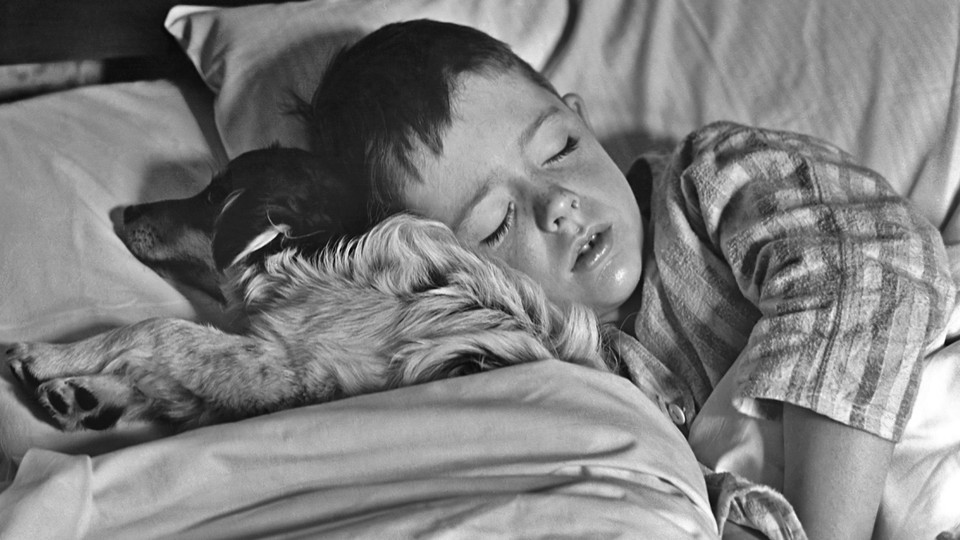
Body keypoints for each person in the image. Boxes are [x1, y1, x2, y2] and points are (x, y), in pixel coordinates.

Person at [307, 19, 956, 539]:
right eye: (496, 222)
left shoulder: (711, 183)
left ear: (582, 119)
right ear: (455, 272)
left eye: (559, 148)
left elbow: (868, 272)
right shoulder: (555, 387)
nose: (556, 202)